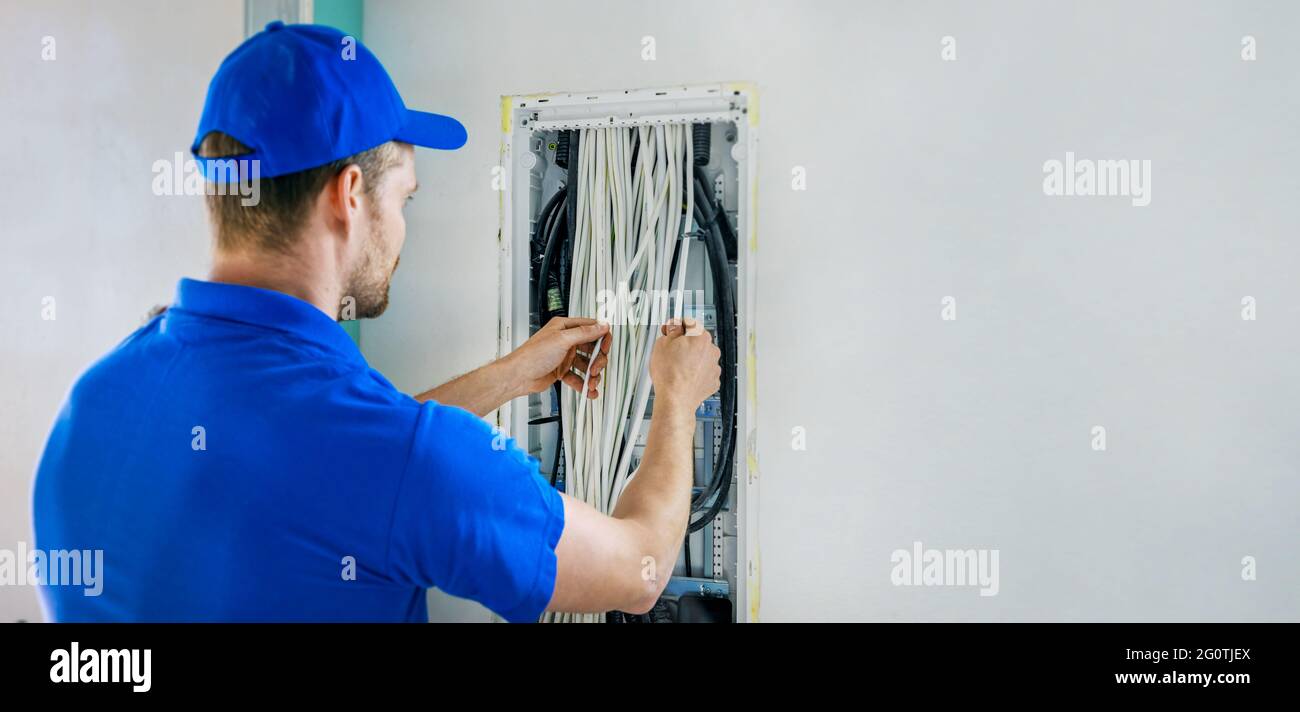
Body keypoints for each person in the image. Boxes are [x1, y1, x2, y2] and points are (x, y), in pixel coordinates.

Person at [32, 22, 720, 622]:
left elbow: (331, 468)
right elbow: (641, 571)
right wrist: (679, 401)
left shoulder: (90, 404)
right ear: (350, 196)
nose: (402, 230)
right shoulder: (394, 461)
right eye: (405, 199)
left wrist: (509, 377)